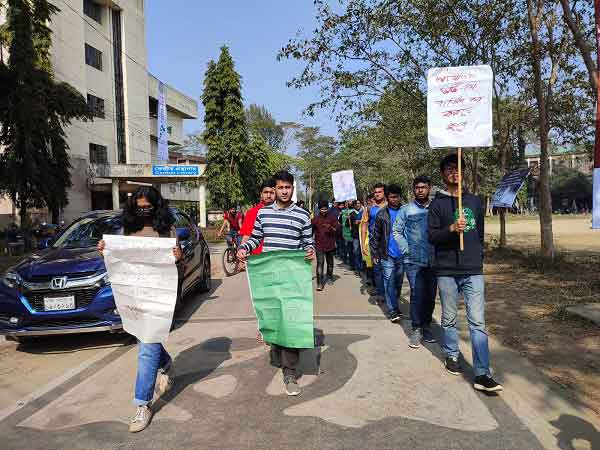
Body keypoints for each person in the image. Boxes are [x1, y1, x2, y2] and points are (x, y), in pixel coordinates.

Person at [97, 186, 183, 432]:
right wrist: (106, 250)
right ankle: (166, 364)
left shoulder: (167, 229)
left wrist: (178, 255)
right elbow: (120, 257)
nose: (144, 211)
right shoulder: (128, 230)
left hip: (159, 296)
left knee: (146, 347)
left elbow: (177, 261)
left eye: (148, 207)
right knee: (146, 337)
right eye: (139, 207)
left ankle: (142, 405)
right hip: (135, 294)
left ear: (156, 206)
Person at [428, 154, 503, 392]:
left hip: (472, 270)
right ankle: (452, 354)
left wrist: (478, 257)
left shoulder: (474, 201)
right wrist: (451, 229)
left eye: (458, 168)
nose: (454, 173)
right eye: (449, 169)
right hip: (447, 270)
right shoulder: (437, 204)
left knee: (477, 322)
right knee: (449, 318)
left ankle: (482, 373)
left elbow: (479, 233)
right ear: (443, 174)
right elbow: (432, 237)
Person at [237, 170, 315, 396]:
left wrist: (309, 251)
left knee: (292, 319)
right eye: (280, 188)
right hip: (270, 275)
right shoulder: (264, 214)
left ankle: (290, 372)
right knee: (274, 316)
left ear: (292, 188)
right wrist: (244, 248)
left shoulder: (302, 215)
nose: (283, 191)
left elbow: (308, 242)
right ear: (276, 188)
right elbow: (255, 237)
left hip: (293, 275)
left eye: (287, 188)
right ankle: (275, 345)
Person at [393, 176, 437, 348]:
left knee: (431, 295)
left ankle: (427, 326)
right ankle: (417, 328)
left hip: (434, 260)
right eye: (417, 187)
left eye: (423, 187)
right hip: (413, 261)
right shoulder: (406, 209)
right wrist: (406, 249)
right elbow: (397, 231)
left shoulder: (436, 208)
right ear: (413, 189)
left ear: (429, 188)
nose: (420, 190)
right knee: (417, 294)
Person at [370, 184, 404, 323]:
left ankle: (395, 304)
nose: (394, 199)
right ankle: (392, 310)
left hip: (402, 253)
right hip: (386, 254)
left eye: (396, 197)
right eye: (391, 197)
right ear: (387, 197)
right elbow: (376, 235)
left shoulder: (405, 211)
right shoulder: (381, 214)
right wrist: (374, 253)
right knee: (389, 282)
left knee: (398, 282)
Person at [361, 184, 386, 299]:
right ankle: (381, 293)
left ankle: (389, 292)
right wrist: (363, 245)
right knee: (377, 270)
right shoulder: (369, 208)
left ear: (384, 192)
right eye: (375, 192)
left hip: (389, 243)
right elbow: (364, 225)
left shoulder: (390, 206)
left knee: (391, 270)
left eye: (380, 191)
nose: (377, 194)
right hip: (374, 244)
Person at [240, 178, 276, 255]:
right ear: (261, 194)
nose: (269, 195)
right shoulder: (252, 212)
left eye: (271, 192)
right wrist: (241, 259)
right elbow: (246, 236)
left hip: (277, 258)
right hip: (258, 259)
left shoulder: (282, 212)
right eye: (266, 192)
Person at [312, 200, 339, 290]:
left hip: (330, 244)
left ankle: (330, 277)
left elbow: (337, 230)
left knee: (330, 263)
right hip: (319, 245)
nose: (324, 210)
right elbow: (311, 232)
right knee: (320, 263)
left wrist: (330, 227)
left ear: (328, 208)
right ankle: (319, 283)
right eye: (322, 209)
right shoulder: (315, 219)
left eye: (325, 209)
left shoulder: (333, 217)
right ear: (319, 209)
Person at [350, 200, 364, 275]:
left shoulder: (365, 212)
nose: (358, 205)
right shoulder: (352, 214)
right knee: (356, 251)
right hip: (356, 235)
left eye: (359, 203)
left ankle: (363, 267)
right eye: (356, 204)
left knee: (363, 252)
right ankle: (357, 267)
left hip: (364, 235)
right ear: (354, 205)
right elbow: (348, 224)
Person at [341, 201, 354, 268]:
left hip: (353, 233)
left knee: (353, 250)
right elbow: (340, 221)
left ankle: (353, 264)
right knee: (347, 248)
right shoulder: (342, 212)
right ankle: (349, 262)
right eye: (347, 202)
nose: (349, 203)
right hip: (345, 233)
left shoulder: (355, 212)